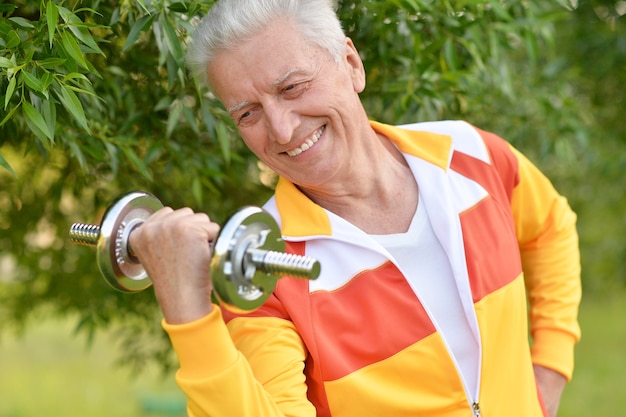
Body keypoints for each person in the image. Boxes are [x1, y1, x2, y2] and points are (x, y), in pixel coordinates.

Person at [130, 0, 582, 416]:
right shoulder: (264, 268)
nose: (282, 130)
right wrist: (188, 314)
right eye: (248, 113)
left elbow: (551, 228)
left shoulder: (469, 154)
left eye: (292, 87)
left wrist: (550, 368)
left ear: (350, 64)